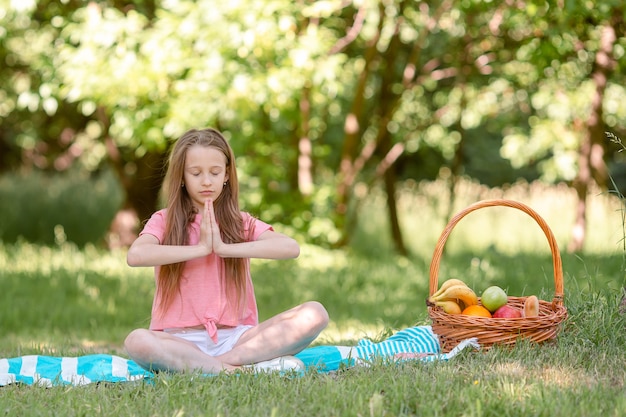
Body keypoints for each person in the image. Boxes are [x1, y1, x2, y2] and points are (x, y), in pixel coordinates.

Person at [124, 128, 329, 374]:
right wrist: (200, 249)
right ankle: (238, 369)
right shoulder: (164, 220)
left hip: (238, 339)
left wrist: (223, 248)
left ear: (227, 175)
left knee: (315, 313)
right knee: (136, 341)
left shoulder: (240, 222)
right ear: (181, 176)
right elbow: (136, 255)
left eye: (215, 172)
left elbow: (290, 248)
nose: (207, 181)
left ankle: (217, 366)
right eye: (196, 173)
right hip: (179, 341)